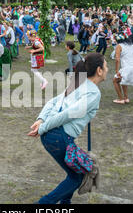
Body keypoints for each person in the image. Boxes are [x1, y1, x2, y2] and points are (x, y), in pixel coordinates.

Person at [28, 52, 107, 204]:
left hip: (54, 136)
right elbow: (68, 114)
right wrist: (42, 125)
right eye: (106, 66)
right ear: (99, 70)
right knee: (77, 177)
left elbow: (53, 102)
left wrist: (41, 119)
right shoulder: (93, 92)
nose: (108, 69)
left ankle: (65, 203)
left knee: (74, 173)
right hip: (59, 136)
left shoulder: (78, 84)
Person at [111, 32, 133, 104]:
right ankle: (126, 98)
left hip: (129, 67)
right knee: (123, 80)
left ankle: (120, 99)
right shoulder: (130, 44)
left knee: (115, 81)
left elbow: (117, 59)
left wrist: (116, 70)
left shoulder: (119, 46)